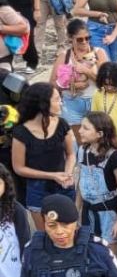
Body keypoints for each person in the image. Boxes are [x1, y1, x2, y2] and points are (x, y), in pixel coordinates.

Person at [12, 83, 76, 226]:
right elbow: (19, 168)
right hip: (37, 189)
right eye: (57, 99)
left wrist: (67, 174)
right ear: (43, 104)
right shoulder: (21, 132)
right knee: (44, 233)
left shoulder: (62, 124)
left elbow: (71, 154)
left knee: (67, 229)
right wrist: (52, 176)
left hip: (64, 185)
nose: (61, 103)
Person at [76, 112, 117, 247]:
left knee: (109, 253)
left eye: (86, 128)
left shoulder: (113, 156)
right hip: (88, 210)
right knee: (90, 250)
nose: (80, 131)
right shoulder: (82, 151)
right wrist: (76, 212)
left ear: (99, 134)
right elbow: (81, 184)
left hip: (108, 211)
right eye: (81, 126)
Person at [51, 19, 108, 131]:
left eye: (87, 38)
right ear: (70, 38)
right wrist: (71, 85)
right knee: (79, 138)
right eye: (80, 39)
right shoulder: (64, 56)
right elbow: (52, 83)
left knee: (98, 135)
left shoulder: (99, 53)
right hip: (72, 102)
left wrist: (86, 71)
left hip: (95, 100)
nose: (84, 42)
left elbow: (106, 82)